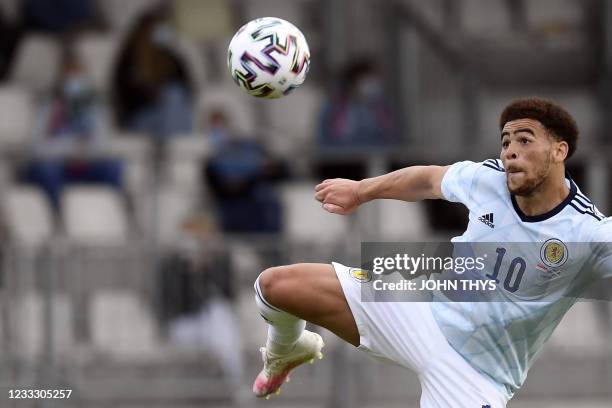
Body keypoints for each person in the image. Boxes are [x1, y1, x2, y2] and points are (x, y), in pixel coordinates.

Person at [251, 97, 611, 406]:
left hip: (474, 375)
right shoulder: (488, 179)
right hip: (424, 311)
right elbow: (428, 179)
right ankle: (286, 350)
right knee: (275, 286)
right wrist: (361, 191)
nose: (510, 151)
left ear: (559, 150)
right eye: (505, 141)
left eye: (524, 139)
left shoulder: (588, 233)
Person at [24, 48, 122, 208]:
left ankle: (111, 211)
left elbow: (102, 143)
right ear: (61, 77)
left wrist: (85, 151)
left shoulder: (94, 107)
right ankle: (59, 214)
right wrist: (70, 148)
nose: (74, 80)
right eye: (70, 74)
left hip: (86, 163)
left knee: (114, 167)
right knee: (46, 170)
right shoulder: (48, 106)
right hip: (57, 163)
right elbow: (36, 147)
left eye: (78, 74)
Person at [112, 7, 193, 140]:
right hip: (141, 118)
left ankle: (175, 146)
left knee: (174, 95)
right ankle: (172, 146)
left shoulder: (172, 57)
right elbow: (124, 98)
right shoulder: (130, 59)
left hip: (170, 113)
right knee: (173, 97)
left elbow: (188, 87)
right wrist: (150, 95)